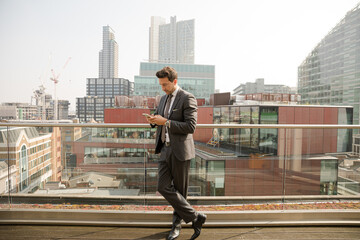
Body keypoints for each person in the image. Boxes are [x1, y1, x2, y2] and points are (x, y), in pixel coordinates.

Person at [146, 66, 206, 240]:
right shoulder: (163, 99)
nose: (163, 88)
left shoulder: (187, 98)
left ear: (175, 81)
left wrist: (167, 122)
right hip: (165, 149)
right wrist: (153, 120)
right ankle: (195, 217)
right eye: (161, 85)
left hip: (181, 151)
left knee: (180, 190)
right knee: (162, 187)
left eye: (165, 84)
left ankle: (176, 227)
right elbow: (160, 118)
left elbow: (190, 127)